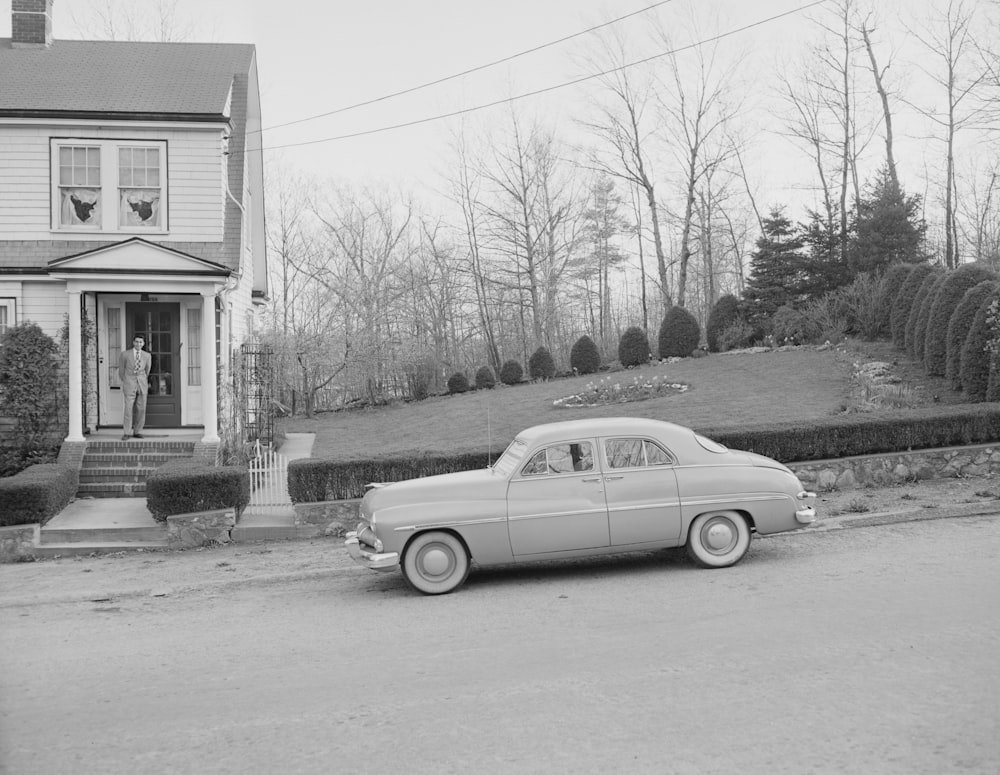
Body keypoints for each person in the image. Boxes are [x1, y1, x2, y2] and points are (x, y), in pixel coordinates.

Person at [118, 335, 151, 440]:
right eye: (137, 342)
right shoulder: (125, 354)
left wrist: (142, 379)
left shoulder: (147, 356)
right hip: (129, 383)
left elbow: (147, 370)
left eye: (141, 342)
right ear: (133, 342)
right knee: (128, 409)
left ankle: (138, 431)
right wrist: (126, 380)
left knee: (141, 409)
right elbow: (121, 370)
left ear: (143, 344)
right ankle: (127, 432)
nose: (138, 344)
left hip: (142, 384)